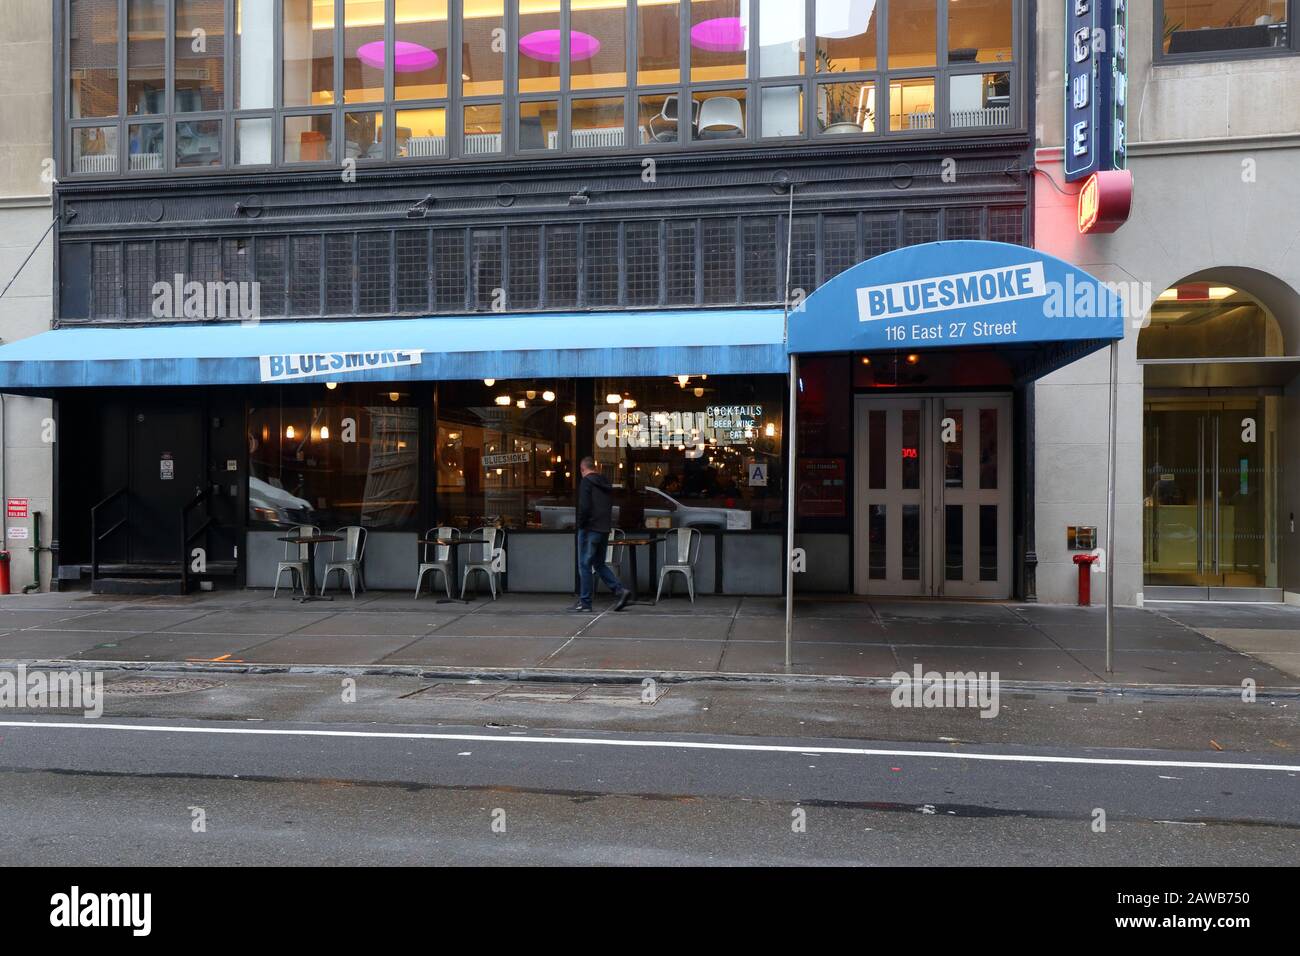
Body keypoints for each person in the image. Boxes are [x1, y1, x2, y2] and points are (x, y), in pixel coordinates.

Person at [569, 457, 631, 613]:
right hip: (604, 529)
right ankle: (619, 591)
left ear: (583, 469)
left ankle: (585, 602)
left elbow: (584, 507)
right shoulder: (605, 483)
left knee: (584, 565)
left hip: (589, 529)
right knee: (599, 564)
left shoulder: (586, 482)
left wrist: (580, 525)